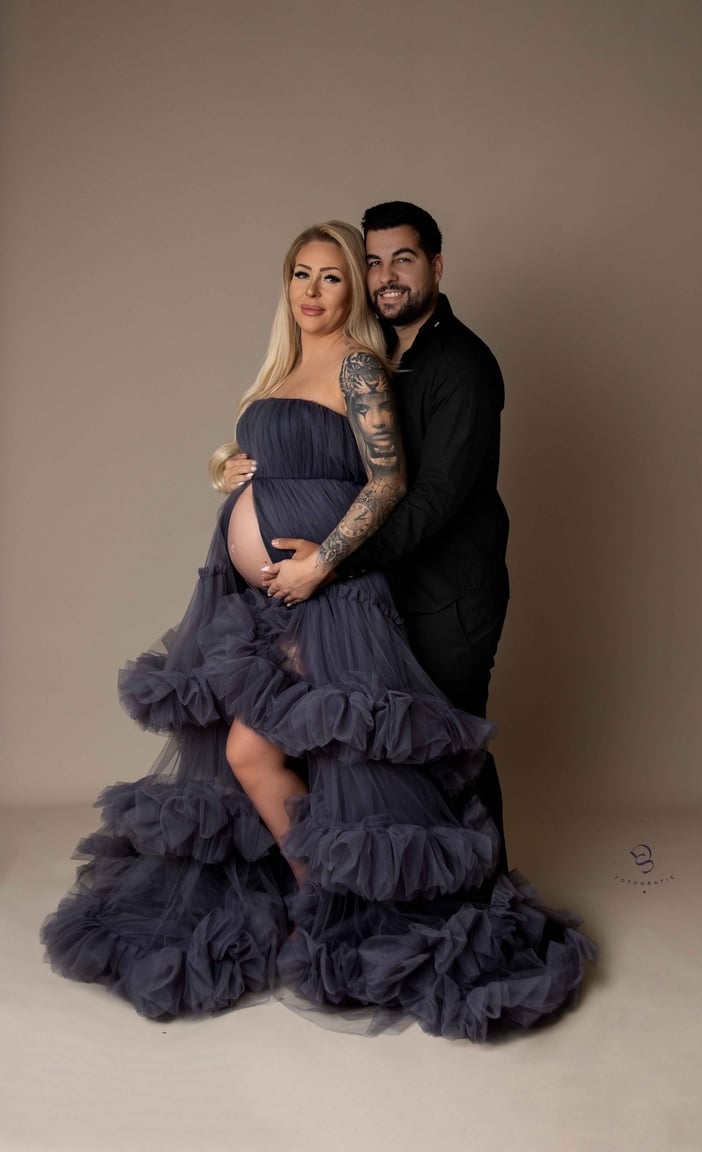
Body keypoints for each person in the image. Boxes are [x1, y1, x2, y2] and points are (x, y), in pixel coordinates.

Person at [42, 220, 593, 1041]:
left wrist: (321, 563)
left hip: (327, 596)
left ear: (354, 290)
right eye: (302, 273)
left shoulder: (360, 366)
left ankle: (335, 909)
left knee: (271, 753)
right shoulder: (282, 367)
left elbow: (387, 481)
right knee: (260, 755)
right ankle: (320, 899)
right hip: (266, 597)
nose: (313, 290)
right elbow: (277, 462)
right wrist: (226, 469)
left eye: (333, 276)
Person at [223, 202, 510, 868]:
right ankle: (338, 887)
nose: (386, 276)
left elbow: (425, 493)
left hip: (447, 593)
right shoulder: (376, 347)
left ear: (436, 265)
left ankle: (476, 891)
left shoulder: (460, 364)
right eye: (374, 262)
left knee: (445, 752)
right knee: (347, 749)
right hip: (357, 586)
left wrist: (329, 562)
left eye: (402, 260)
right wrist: (233, 469)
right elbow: (331, 455)